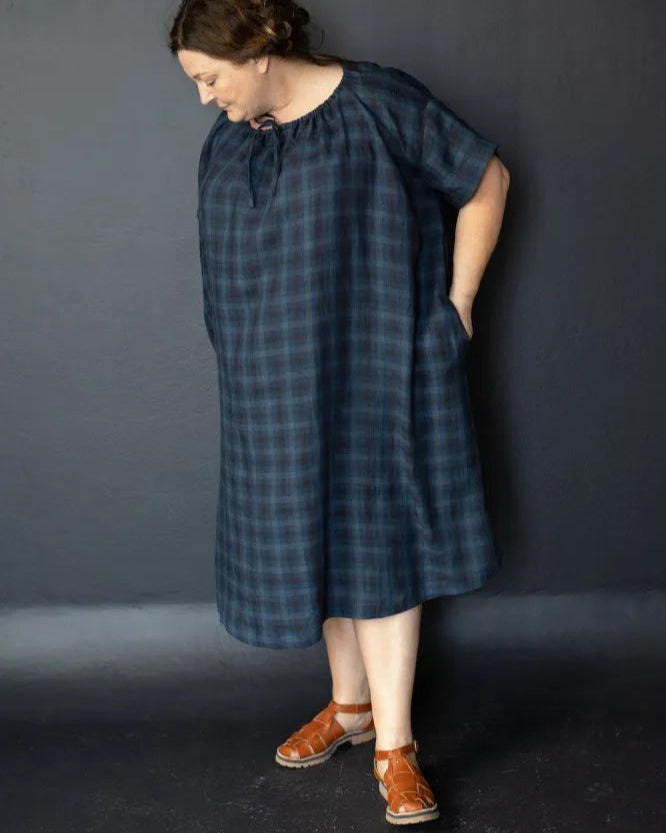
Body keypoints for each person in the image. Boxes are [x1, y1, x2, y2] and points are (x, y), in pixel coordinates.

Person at [169, 0, 509, 825]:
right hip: (276, 387)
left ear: (258, 53)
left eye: (208, 77)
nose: (204, 97)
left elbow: (487, 179)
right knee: (316, 538)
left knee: (379, 540)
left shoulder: (378, 103)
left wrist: (459, 304)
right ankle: (349, 706)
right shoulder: (233, 138)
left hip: (378, 368)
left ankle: (396, 745)